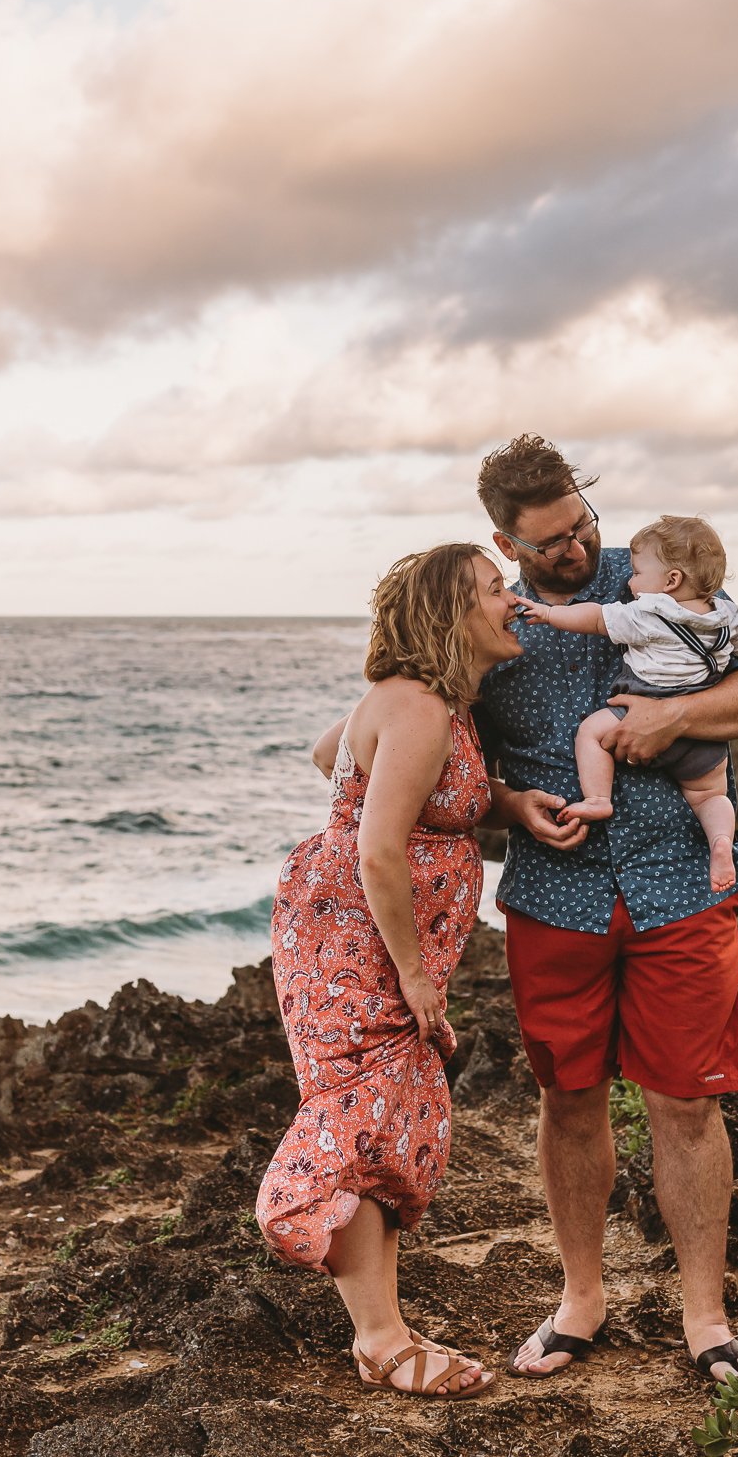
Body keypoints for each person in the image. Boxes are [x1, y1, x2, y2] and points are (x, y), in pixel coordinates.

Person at [469, 436, 738, 1387]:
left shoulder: (661, 575)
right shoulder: (488, 619)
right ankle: (581, 1301)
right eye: (550, 543)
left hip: (683, 883)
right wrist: (508, 806)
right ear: (505, 540)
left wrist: (676, 718)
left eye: (581, 524)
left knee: (687, 1100)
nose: (576, 549)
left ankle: (706, 1317)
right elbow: (443, 758)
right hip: (552, 897)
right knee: (568, 1099)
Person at [255, 543, 528, 1400]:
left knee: (388, 1109)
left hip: (348, 936)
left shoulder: (425, 704)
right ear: (452, 614)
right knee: (359, 1111)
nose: (513, 599)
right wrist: (416, 972)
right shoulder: (417, 706)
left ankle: (383, 1332)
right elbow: (377, 850)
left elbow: (326, 751)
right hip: (359, 948)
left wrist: (498, 804)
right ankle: (381, 1337)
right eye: (495, 589)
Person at [513, 514, 738, 891]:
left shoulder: (649, 612)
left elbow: (596, 619)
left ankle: (599, 798)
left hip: (642, 704)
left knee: (590, 732)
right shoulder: (725, 616)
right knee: (710, 795)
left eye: (636, 573)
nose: (630, 581)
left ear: (671, 581)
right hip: (702, 738)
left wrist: (551, 614)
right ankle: (720, 841)